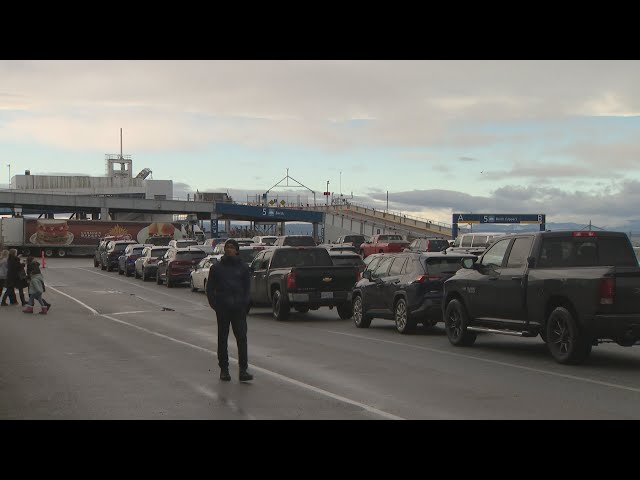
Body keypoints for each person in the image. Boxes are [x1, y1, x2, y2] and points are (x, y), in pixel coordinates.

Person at [206, 238, 253, 382]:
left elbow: (247, 289)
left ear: (237, 250)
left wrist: (245, 304)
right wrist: (215, 305)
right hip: (223, 308)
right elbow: (210, 289)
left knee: (242, 339)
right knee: (223, 339)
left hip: (239, 309)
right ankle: (224, 369)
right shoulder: (217, 268)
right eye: (227, 247)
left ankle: (243, 370)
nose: (229, 249)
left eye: (232, 247)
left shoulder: (243, 267)